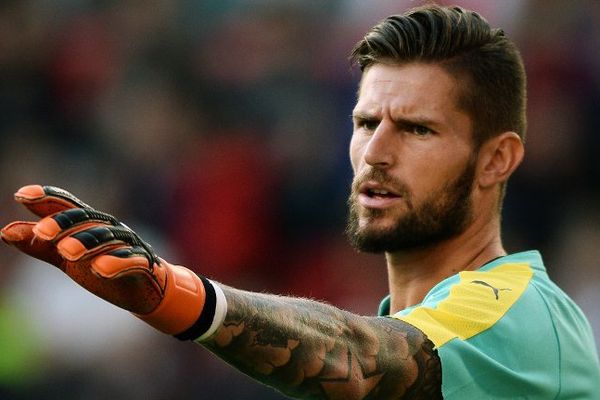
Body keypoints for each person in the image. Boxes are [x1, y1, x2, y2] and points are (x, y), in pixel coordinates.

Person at [2, 4, 599, 399]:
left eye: (418, 129)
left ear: (497, 159)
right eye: (366, 123)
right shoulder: (412, 327)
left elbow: (358, 357)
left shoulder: (523, 314)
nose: (376, 154)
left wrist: (186, 298)